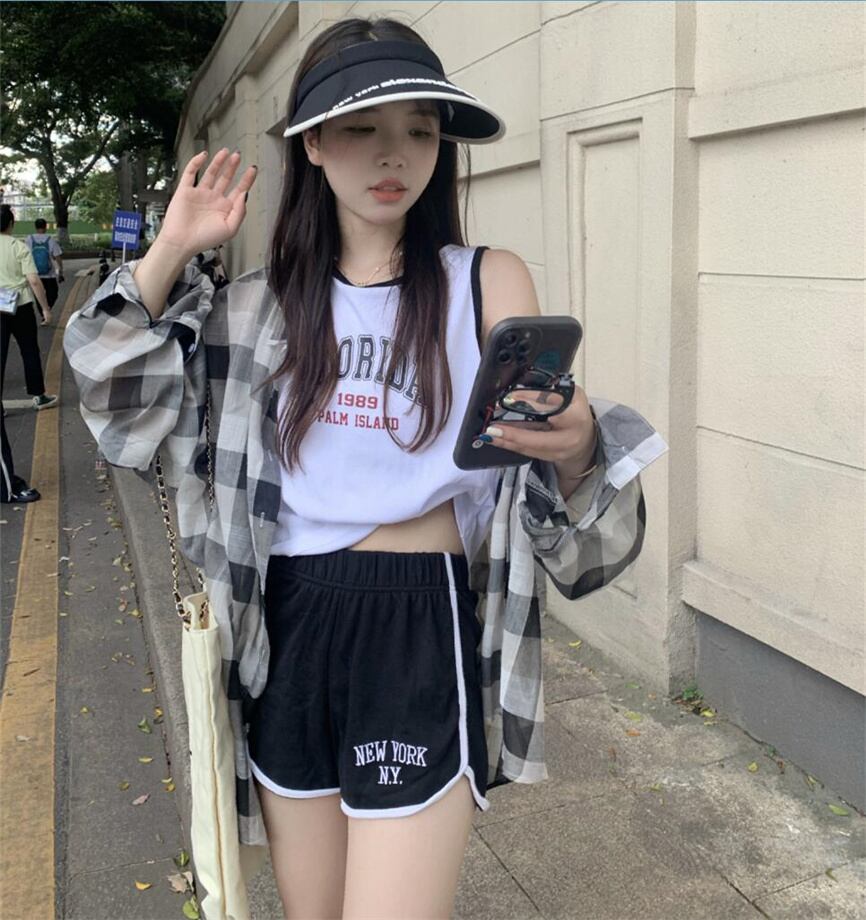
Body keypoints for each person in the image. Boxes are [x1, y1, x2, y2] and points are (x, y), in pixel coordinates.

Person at [64, 17, 666, 919]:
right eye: (363, 128)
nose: (397, 155)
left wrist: (577, 445)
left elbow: (564, 512)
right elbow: (114, 399)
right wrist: (173, 249)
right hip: (287, 625)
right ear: (312, 143)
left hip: (419, 621)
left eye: (421, 131)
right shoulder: (256, 307)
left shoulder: (485, 281)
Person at [0, 205, 58, 415]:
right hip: (21, 306)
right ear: (11, 224)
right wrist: (45, 309)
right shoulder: (19, 247)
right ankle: (39, 396)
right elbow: (33, 280)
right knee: (29, 350)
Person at [25, 217, 64, 310]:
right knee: (53, 293)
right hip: (49, 274)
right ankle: (47, 308)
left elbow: (25, 256)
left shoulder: (29, 239)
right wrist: (61, 271)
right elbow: (57, 257)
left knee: (38, 294)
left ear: (35, 227)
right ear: (45, 227)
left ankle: (43, 311)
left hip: (35, 273)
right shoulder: (50, 239)